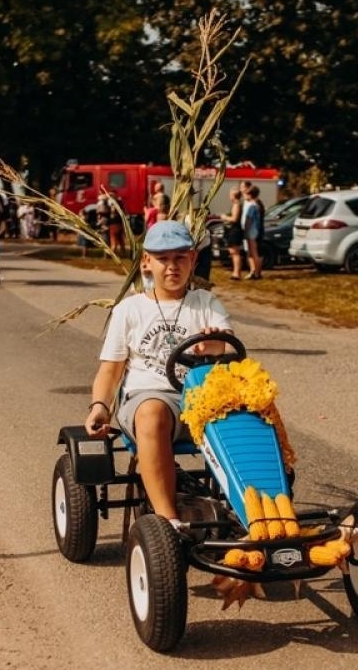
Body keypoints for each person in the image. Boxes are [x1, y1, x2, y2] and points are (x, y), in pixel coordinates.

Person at [85, 220, 233, 526]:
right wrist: (99, 406)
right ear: (146, 263)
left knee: (254, 417)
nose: (172, 266)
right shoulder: (130, 309)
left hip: (202, 401)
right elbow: (110, 371)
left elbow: (227, 345)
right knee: (152, 414)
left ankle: (259, 515)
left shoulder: (205, 303)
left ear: (193, 260)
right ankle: (169, 522)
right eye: (163, 259)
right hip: (148, 400)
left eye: (180, 257)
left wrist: (215, 342)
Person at [241, 184, 264, 279]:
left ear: (250, 195)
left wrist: (245, 231)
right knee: (254, 252)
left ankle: (257, 273)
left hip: (251, 230)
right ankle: (257, 272)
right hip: (255, 230)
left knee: (254, 253)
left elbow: (248, 219)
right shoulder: (257, 206)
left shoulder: (251, 206)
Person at [225, 191, 246, 279]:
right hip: (235, 230)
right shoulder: (237, 204)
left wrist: (224, 217)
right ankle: (236, 272)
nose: (229, 196)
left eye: (230, 194)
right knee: (233, 252)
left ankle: (236, 273)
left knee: (235, 252)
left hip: (235, 230)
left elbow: (234, 219)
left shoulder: (236, 205)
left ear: (234, 196)